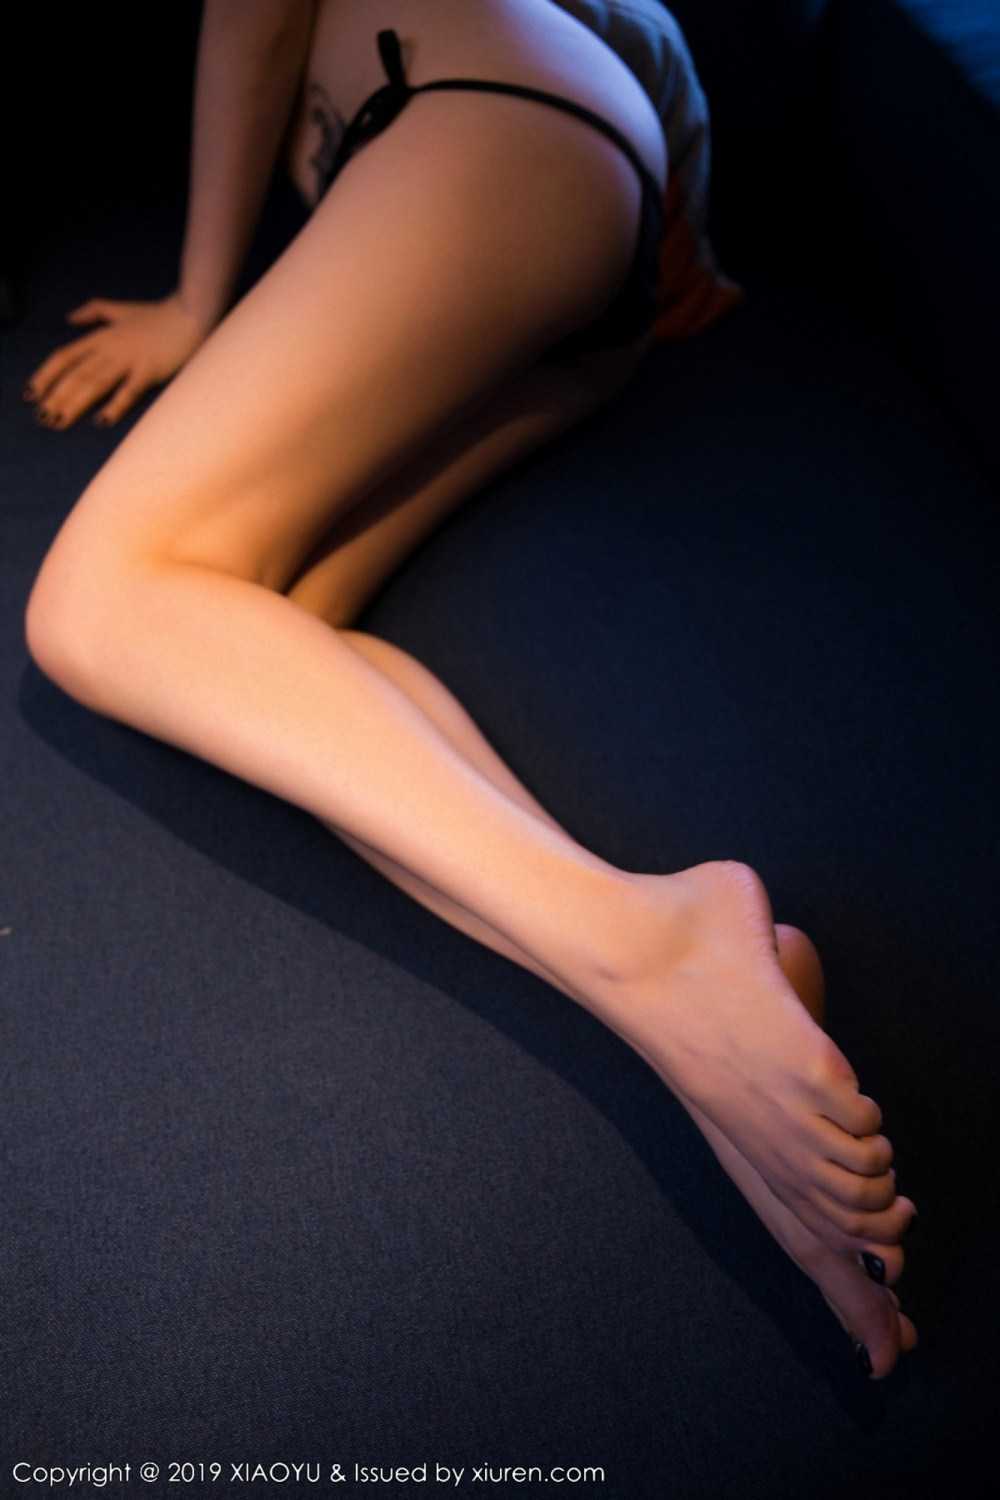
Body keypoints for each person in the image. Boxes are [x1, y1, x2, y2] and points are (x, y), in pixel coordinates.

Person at [22, 0, 916, 1378]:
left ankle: (656, 947)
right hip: (581, 246)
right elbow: (637, 51)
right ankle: (689, 1020)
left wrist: (201, 304)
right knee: (253, 644)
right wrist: (676, 185)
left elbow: (254, 16)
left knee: (93, 599)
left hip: (487, 133)